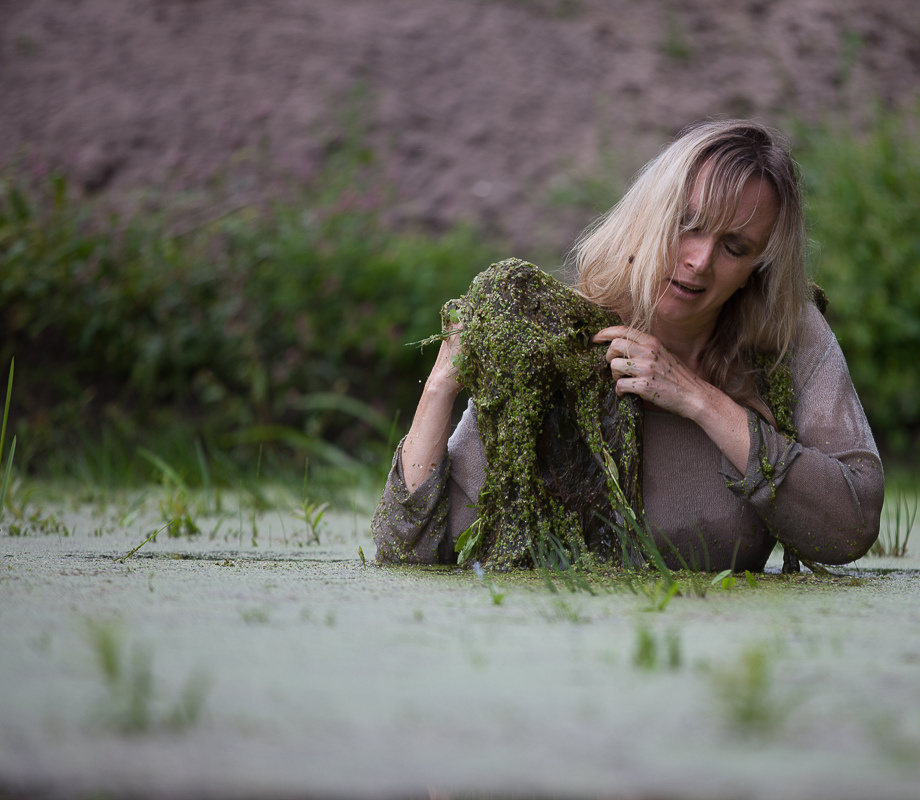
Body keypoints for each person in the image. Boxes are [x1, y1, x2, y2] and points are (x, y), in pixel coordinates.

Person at [373, 119, 883, 571]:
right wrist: (441, 384)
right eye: (688, 224)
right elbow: (409, 549)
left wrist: (701, 401)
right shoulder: (555, 347)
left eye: (735, 247)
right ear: (649, 214)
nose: (701, 261)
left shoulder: (787, 337)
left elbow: (851, 525)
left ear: (759, 268)